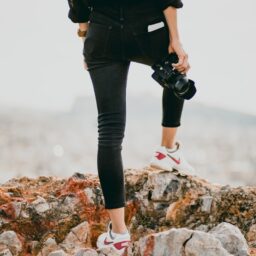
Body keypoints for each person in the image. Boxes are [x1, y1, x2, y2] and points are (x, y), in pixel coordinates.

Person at [67, 0, 195, 254]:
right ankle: (167, 149)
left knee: (110, 131)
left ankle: (119, 233)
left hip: (103, 33)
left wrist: (86, 38)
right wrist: (176, 39)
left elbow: (78, 3)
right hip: (148, 27)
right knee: (176, 69)